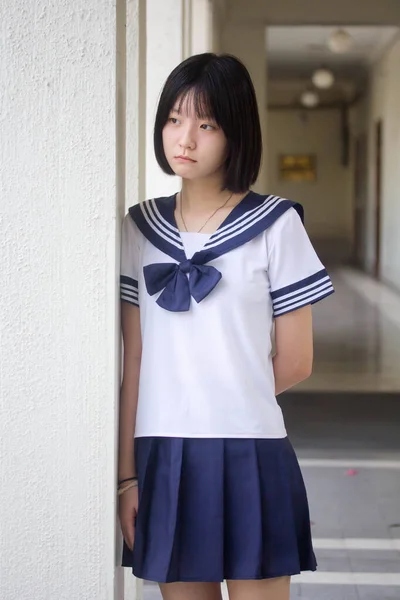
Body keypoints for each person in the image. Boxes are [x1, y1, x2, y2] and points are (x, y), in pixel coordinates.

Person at [118, 52, 334, 600]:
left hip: (249, 451)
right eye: (174, 119)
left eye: (206, 123)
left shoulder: (277, 225)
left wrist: (219, 394)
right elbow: (135, 359)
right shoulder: (138, 229)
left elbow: (297, 359)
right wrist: (127, 477)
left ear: (236, 133)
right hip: (163, 454)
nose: (184, 138)